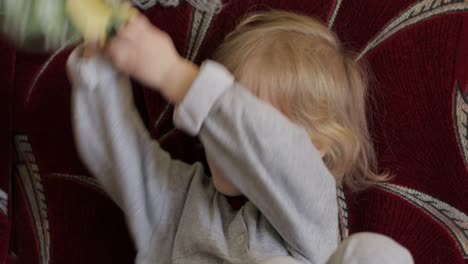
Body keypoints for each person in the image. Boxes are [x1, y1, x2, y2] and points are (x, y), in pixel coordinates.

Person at [67, 10, 391, 263]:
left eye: (239, 112)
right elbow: (120, 155)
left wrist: (173, 75)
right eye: (219, 116)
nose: (222, 132)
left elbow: (274, 150)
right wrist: (100, 67)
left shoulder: (311, 205)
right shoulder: (180, 201)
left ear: (315, 145)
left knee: (375, 254)